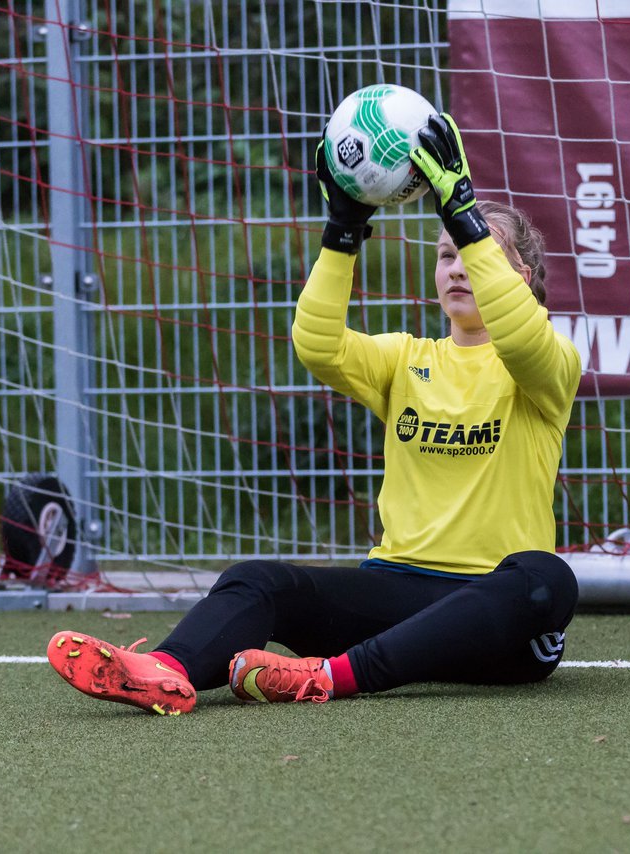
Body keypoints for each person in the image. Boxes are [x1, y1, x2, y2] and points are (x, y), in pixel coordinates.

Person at [46, 113, 582, 713]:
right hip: (396, 590)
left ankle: (327, 677)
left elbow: (521, 336)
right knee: (257, 580)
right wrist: (343, 228)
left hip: (496, 621)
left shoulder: (549, 364)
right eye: (444, 254)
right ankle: (163, 672)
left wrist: (462, 208)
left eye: (474, 253)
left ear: (522, 278)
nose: (457, 266)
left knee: (545, 579)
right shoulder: (406, 360)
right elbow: (318, 344)